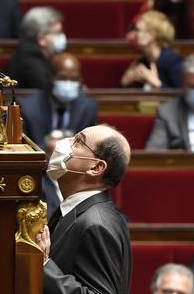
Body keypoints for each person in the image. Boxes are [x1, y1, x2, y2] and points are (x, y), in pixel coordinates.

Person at [36, 125, 132, 294]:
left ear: (95, 168)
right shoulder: (78, 210)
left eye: (78, 141)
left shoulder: (97, 224)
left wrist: (44, 266)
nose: (64, 143)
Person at [19, 53, 98, 219]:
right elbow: (23, 147)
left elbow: (92, 148)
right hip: (42, 174)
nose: (68, 84)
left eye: (74, 79)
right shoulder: (28, 107)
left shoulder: (88, 107)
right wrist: (49, 150)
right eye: (63, 78)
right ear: (50, 78)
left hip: (76, 172)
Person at [5, 6, 67, 89]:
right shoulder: (31, 63)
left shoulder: (28, 53)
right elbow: (49, 91)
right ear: (41, 39)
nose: (62, 37)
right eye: (58, 33)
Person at [120, 10, 183, 90]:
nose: (134, 35)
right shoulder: (142, 63)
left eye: (138, 30)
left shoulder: (174, 62)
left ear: (151, 35)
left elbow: (182, 98)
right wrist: (123, 83)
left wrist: (156, 83)